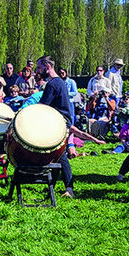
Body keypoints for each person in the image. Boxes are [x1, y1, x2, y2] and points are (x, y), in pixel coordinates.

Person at [33, 56, 75, 198]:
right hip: (60, 121)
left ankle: (69, 189)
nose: (37, 71)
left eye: (39, 68)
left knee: (61, 155)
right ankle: (52, 187)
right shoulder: (59, 82)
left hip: (59, 122)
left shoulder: (52, 84)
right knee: (56, 155)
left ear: (47, 67)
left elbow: (43, 106)